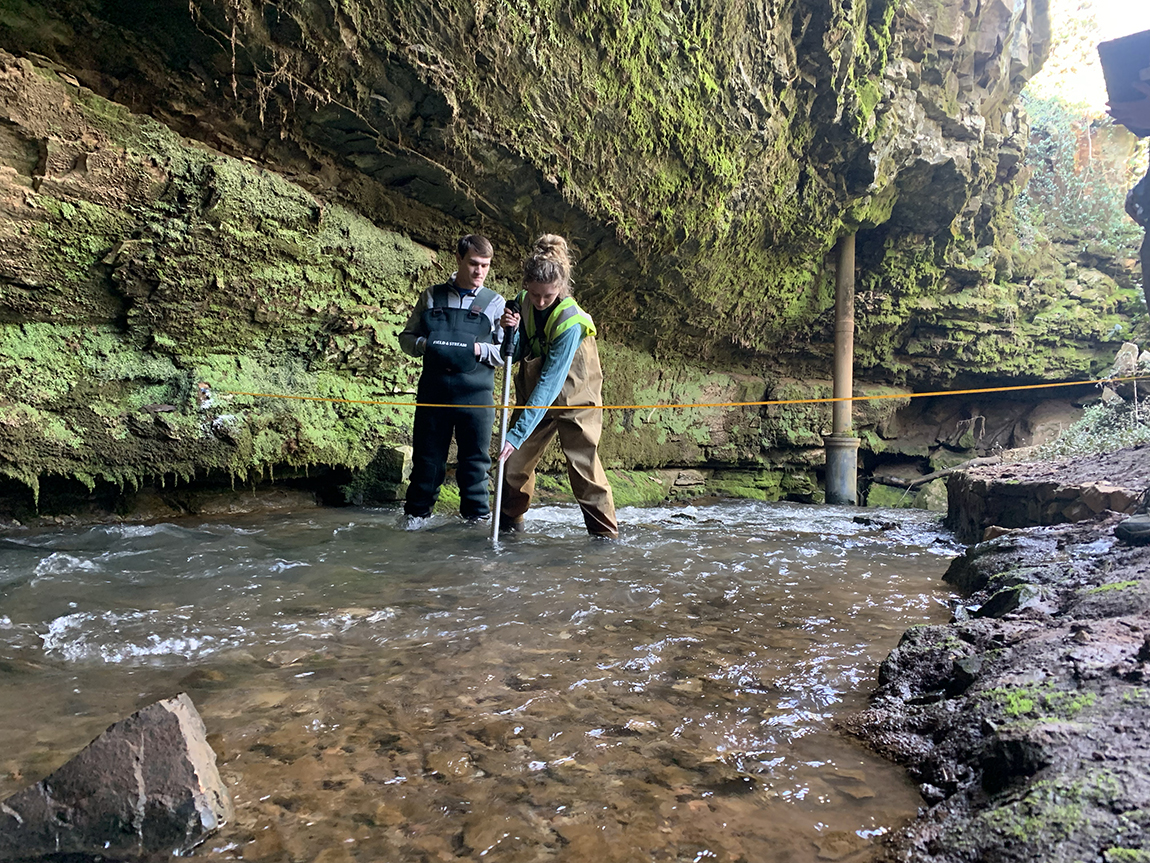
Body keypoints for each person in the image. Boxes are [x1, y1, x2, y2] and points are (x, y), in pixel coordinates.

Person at [496, 234, 618, 539]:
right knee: (512, 467)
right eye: (534, 294)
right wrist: (509, 332)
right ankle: (511, 529)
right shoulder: (524, 303)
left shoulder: (571, 321)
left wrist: (515, 433)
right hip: (536, 396)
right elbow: (514, 354)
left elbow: (551, 381)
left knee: (583, 470)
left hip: (576, 396)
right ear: (526, 285)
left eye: (547, 296)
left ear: (560, 288)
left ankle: (606, 539)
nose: (539, 302)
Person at [398, 234, 505, 527]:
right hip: (433, 394)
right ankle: (414, 524)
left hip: (477, 397)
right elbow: (405, 339)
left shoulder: (495, 303)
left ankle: (475, 529)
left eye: (485, 265)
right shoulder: (431, 296)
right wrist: (425, 344)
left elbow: (507, 353)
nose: (479, 271)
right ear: (458, 259)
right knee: (427, 463)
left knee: (475, 467)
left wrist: (477, 350)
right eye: (473, 263)